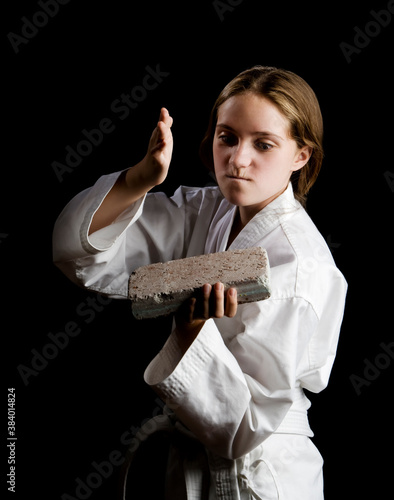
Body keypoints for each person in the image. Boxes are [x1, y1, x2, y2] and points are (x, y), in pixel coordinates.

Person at [53, 65, 347, 499]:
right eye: (227, 137)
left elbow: (243, 430)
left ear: (301, 155)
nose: (237, 159)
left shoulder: (300, 264)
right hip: (191, 467)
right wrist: (139, 179)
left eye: (263, 144)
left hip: (261, 476)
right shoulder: (206, 210)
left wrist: (192, 331)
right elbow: (79, 253)